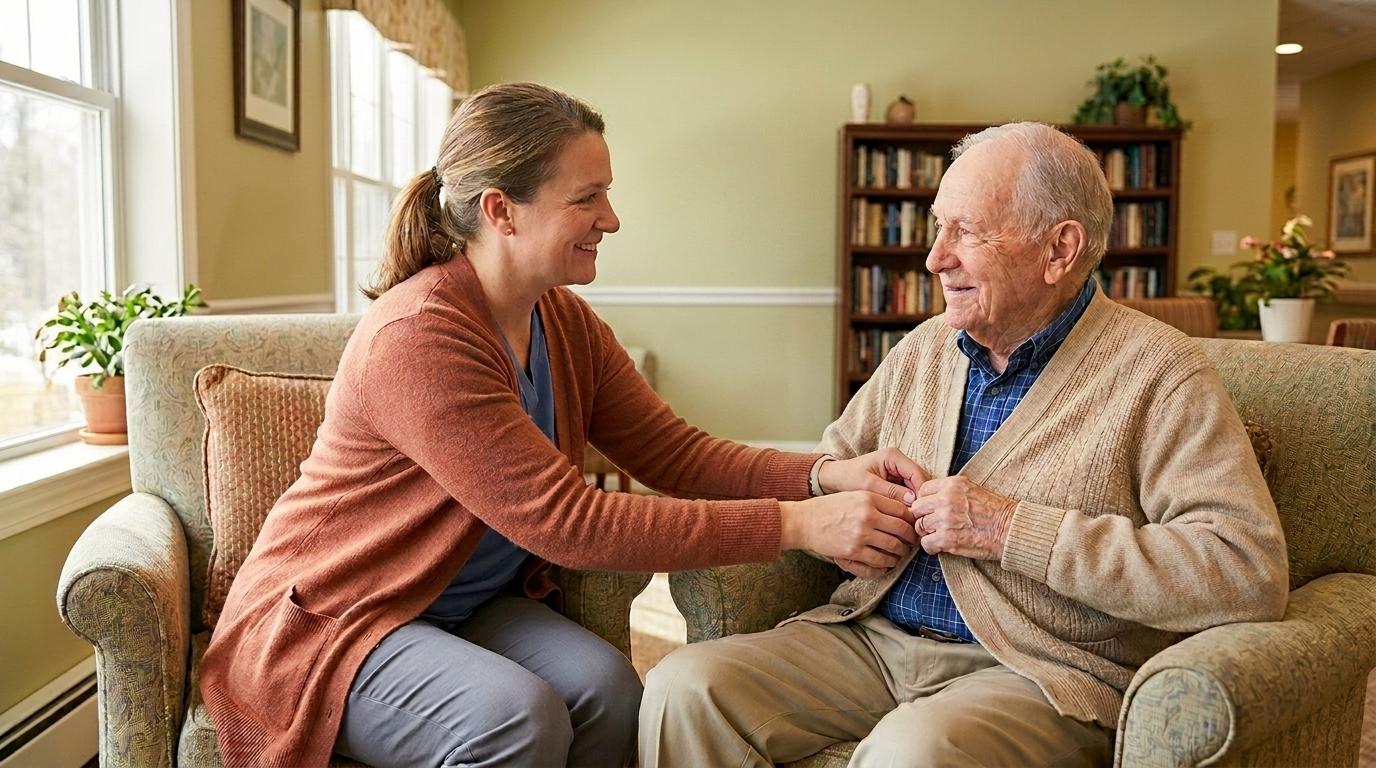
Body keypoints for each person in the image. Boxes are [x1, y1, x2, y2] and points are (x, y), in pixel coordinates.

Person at [198, 82, 929, 768]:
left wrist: (822, 474)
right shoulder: (421, 337)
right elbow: (568, 523)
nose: (611, 218)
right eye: (587, 197)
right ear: (500, 211)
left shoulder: (563, 321)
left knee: (611, 692)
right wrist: (799, 525)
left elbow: (672, 452)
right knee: (517, 717)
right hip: (335, 621)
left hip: (460, 604)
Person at [639, 122, 1290, 768]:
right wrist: (845, 501)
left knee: (911, 753)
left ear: (1059, 249)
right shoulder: (921, 350)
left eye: (967, 232)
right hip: (869, 640)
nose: (934, 258)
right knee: (685, 688)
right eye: (936, 227)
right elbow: (832, 465)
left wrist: (1010, 529)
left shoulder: (1159, 374)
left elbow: (1243, 573)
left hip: (1040, 672)